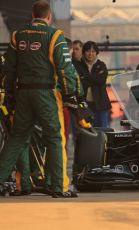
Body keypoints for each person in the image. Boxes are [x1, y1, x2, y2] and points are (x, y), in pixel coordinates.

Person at [0, 0, 79, 198]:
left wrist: (9, 95)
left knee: (17, 138)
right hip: (46, 93)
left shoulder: (17, 36)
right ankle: (58, 187)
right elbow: (65, 69)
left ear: (32, 14)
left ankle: (20, 185)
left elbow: (8, 69)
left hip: (22, 94)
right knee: (54, 138)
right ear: (49, 16)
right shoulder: (55, 36)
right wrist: (70, 93)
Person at [77, 41, 111, 127]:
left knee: (103, 131)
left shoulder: (101, 65)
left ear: (96, 53)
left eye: (93, 51)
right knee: (86, 131)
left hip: (100, 105)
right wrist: (93, 78)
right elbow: (79, 83)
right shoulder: (78, 66)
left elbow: (101, 81)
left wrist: (85, 77)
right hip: (84, 105)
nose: (90, 54)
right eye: (88, 51)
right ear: (84, 53)